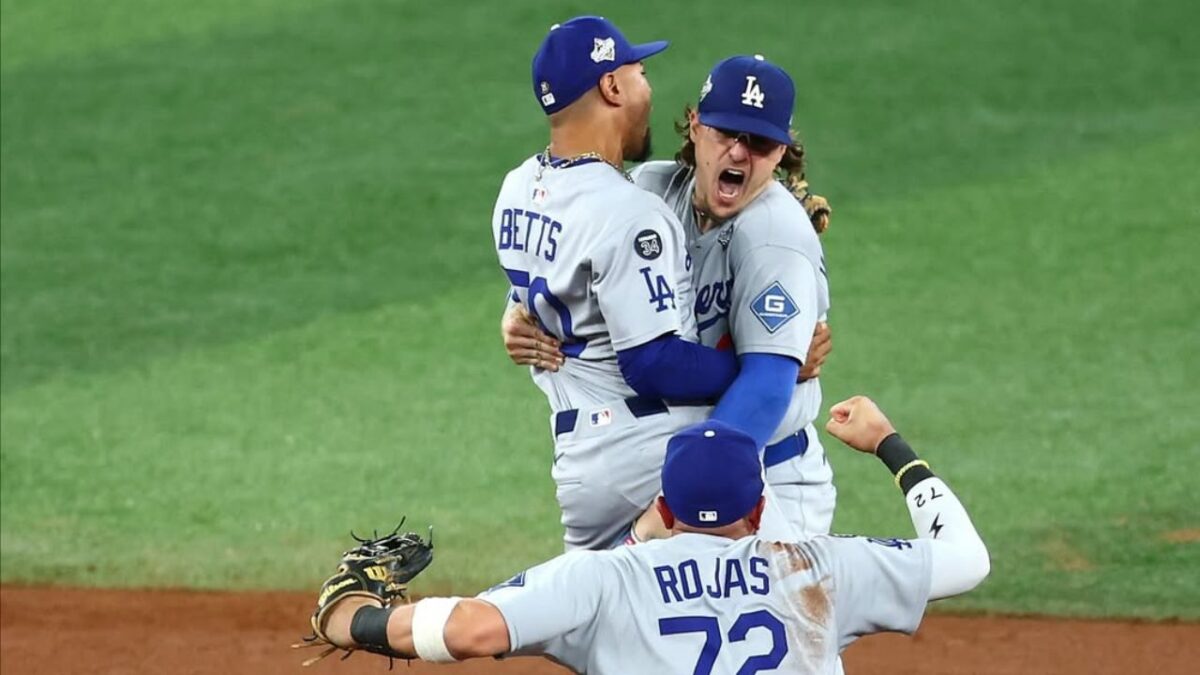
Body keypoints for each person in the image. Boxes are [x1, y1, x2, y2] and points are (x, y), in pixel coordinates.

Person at [308, 396, 991, 673]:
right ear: (759, 511)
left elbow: (472, 630)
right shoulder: (819, 566)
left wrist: (357, 619)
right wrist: (890, 447)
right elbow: (966, 558)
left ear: (665, 504)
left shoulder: (600, 581)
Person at [505, 55, 838, 542]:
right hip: (674, 465)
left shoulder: (776, 237)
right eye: (727, 133)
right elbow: (570, 263)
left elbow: (765, 392)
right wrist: (518, 314)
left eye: (761, 143)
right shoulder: (650, 190)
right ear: (697, 126)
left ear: (782, 152)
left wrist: (682, 499)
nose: (740, 155)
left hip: (763, 479)